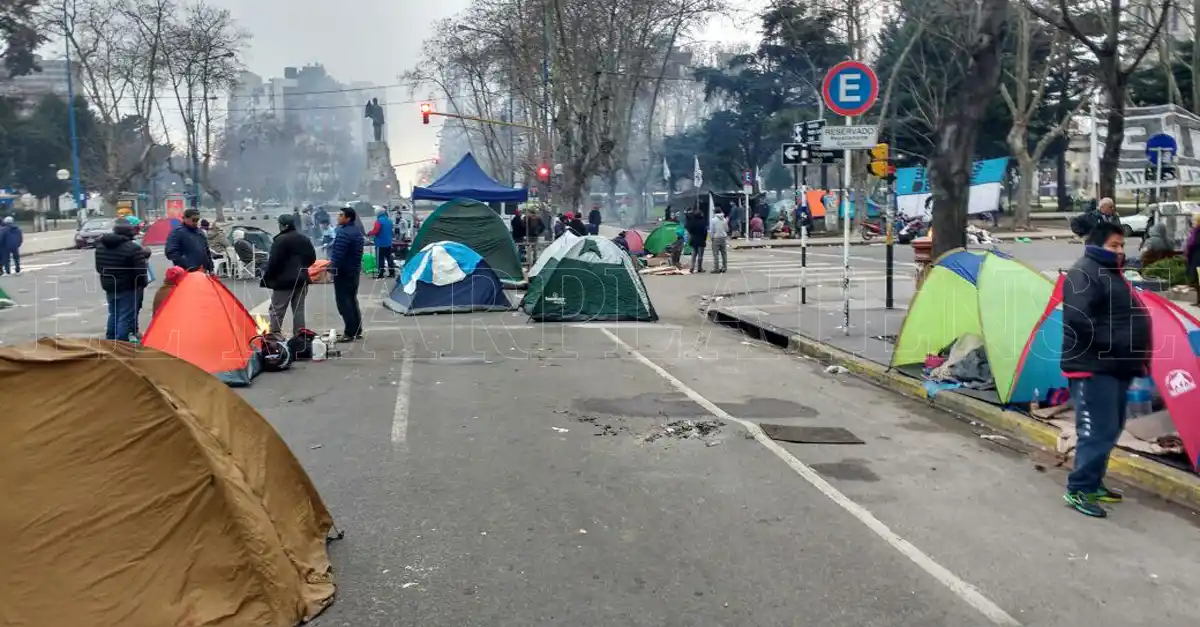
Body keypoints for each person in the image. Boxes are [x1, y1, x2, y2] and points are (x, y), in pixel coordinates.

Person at [1060, 221, 1152, 518]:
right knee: (1096, 431)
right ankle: (1079, 489)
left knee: (1111, 429)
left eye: (1122, 245)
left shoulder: (1111, 273)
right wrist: (1115, 345)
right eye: (1114, 245)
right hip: (1093, 367)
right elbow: (1078, 319)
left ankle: (1094, 483)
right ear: (1097, 244)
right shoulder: (1084, 272)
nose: (1120, 250)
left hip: (1116, 366)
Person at [95, 220, 150, 341]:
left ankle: (110, 340)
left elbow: (99, 268)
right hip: (128, 287)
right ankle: (121, 344)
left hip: (109, 286)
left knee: (114, 314)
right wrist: (142, 285)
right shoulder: (133, 248)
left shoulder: (100, 247)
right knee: (126, 317)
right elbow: (140, 272)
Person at [262, 214, 317, 337]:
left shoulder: (280, 240)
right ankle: (299, 335)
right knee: (299, 309)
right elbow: (312, 258)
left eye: (280, 224)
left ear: (284, 226)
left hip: (284, 281)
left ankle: (274, 335)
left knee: (277, 309)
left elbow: (274, 262)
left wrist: (270, 277)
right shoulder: (304, 239)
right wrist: (302, 268)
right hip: (302, 279)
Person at [327, 206, 365, 342]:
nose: (338, 217)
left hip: (344, 272)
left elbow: (338, 255)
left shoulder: (344, 233)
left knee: (344, 302)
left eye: (341, 215)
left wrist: (332, 270)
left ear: (348, 218)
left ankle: (349, 332)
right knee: (352, 300)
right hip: (354, 271)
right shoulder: (357, 231)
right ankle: (357, 330)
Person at [368, 207, 396, 279]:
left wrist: (369, 233)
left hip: (380, 244)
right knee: (389, 258)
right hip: (389, 243)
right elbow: (392, 231)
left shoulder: (379, 221)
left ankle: (380, 274)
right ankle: (392, 273)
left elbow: (376, 231)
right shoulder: (389, 221)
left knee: (380, 259)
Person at [686, 207, 708, 273]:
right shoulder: (702, 222)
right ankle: (699, 268)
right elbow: (705, 232)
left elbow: (689, 230)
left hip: (694, 240)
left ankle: (692, 267)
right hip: (701, 240)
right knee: (700, 256)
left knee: (693, 255)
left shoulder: (692, 222)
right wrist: (704, 239)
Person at [1186, 214, 1200, 305]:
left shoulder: (1197, 231)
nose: (1192, 222)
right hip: (1196, 257)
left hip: (1197, 258)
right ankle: (1198, 301)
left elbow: (1192, 244)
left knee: (1198, 280)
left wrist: (1187, 250)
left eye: (1194, 220)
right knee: (1197, 280)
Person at [710, 209, 729, 274]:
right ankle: (724, 267)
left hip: (716, 238)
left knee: (716, 254)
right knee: (724, 253)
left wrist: (711, 237)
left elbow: (712, 230)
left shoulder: (713, 220)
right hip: (723, 237)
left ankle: (716, 268)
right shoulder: (724, 219)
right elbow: (727, 229)